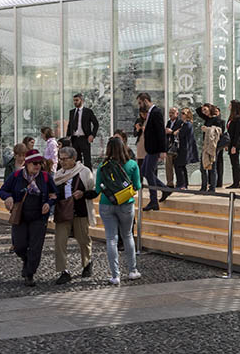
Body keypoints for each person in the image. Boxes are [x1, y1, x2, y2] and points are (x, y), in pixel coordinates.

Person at [0, 149, 57, 286]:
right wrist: (8, 197)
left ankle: (30, 274)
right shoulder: (17, 175)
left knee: (36, 247)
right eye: (34, 163)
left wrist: (49, 203)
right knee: (19, 246)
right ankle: (26, 260)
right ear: (27, 164)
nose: (37, 166)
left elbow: (54, 194)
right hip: (21, 216)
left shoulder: (46, 177)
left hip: (39, 217)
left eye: (39, 163)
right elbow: (2, 190)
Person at [95, 135, 142, 285]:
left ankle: (115, 276)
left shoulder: (102, 167)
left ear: (108, 149)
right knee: (127, 235)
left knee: (111, 239)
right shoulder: (132, 164)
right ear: (124, 147)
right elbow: (138, 186)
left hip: (106, 204)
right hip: (126, 204)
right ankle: (132, 271)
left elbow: (97, 189)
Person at [51, 145, 96, 284]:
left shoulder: (84, 172)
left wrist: (83, 194)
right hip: (63, 212)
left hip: (80, 211)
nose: (62, 162)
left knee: (83, 239)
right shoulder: (58, 175)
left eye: (65, 159)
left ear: (74, 159)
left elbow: (93, 191)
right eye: (60, 159)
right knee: (60, 242)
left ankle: (87, 263)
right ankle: (63, 271)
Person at [137, 93, 168, 211]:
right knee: (144, 171)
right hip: (150, 149)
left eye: (140, 103)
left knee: (148, 173)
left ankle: (154, 201)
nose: (139, 106)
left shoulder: (156, 112)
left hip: (154, 150)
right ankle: (164, 189)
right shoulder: (150, 113)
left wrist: (162, 150)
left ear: (145, 101)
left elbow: (161, 132)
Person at [196, 104, 227, 192]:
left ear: (210, 109)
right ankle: (203, 186)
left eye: (205, 110)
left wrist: (207, 129)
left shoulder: (218, 120)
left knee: (212, 168)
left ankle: (212, 187)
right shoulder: (207, 118)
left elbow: (219, 131)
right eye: (203, 111)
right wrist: (203, 106)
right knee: (203, 167)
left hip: (213, 146)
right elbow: (198, 111)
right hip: (206, 145)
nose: (204, 112)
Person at [67, 93, 99, 168]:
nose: (75, 102)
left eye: (77, 100)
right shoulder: (72, 112)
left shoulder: (88, 111)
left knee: (87, 160)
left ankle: (88, 177)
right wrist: (68, 137)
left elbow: (96, 124)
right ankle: (78, 178)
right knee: (76, 160)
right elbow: (70, 125)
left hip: (84, 138)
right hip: (74, 139)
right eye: (74, 101)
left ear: (82, 100)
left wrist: (92, 135)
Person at [174, 107, 195, 190]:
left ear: (187, 115)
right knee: (181, 166)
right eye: (181, 113)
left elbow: (182, 134)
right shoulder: (184, 124)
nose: (181, 115)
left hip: (184, 148)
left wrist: (177, 131)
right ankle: (184, 184)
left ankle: (182, 184)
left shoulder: (187, 124)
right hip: (182, 148)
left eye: (183, 113)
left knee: (179, 165)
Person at [225, 100, 240, 189]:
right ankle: (235, 181)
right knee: (233, 163)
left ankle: (237, 182)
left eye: (230, 104)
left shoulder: (238, 118)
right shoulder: (231, 118)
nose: (229, 106)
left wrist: (234, 146)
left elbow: (237, 133)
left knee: (235, 163)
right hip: (231, 142)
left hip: (235, 143)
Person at [163, 106, 180, 189]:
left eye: (172, 113)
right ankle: (170, 183)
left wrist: (172, 132)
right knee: (168, 166)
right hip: (169, 147)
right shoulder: (169, 122)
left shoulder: (180, 122)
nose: (170, 114)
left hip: (177, 147)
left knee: (178, 166)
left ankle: (179, 182)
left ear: (177, 114)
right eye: (170, 113)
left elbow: (179, 132)